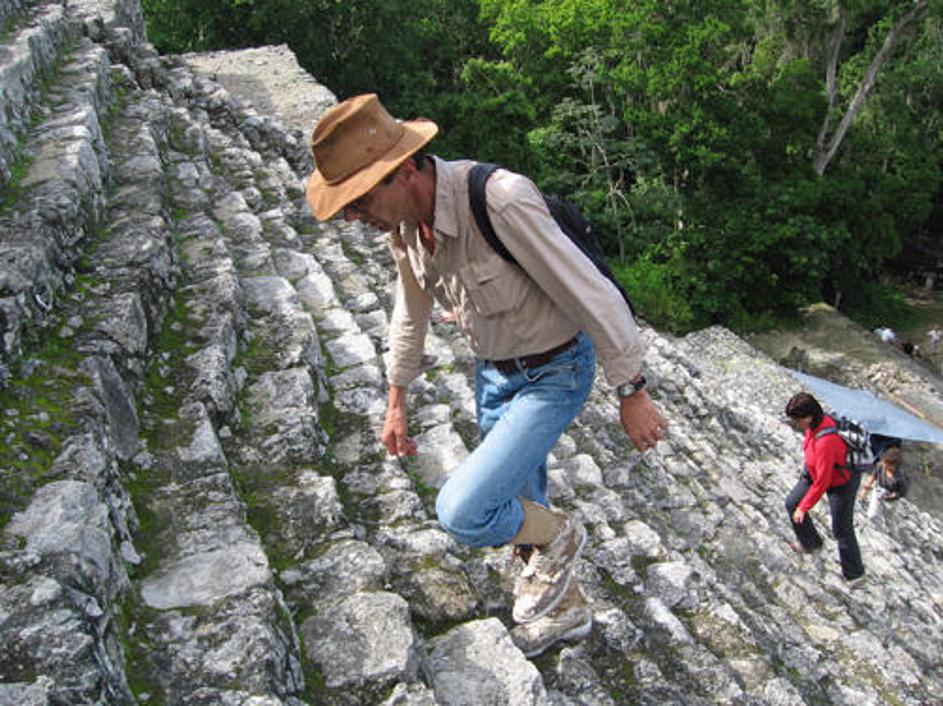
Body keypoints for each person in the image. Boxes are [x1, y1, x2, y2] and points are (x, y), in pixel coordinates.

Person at [305, 94, 668, 656]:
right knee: (520, 512)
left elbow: (590, 292)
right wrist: (396, 397)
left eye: (359, 200)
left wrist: (632, 389)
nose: (355, 218)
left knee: (467, 511)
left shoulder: (499, 200)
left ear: (403, 170)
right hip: (494, 376)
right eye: (347, 208)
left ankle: (563, 535)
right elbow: (410, 310)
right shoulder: (404, 227)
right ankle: (566, 611)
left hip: (555, 373)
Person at [783, 392, 865, 584]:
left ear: (809, 417)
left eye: (796, 419)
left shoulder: (826, 441)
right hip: (814, 472)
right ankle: (810, 543)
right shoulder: (815, 424)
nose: (795, 423)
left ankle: (855, 574)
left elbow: (823, 481)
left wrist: (805, 507)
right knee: (791, 503)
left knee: (841, 528)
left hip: (841, 482)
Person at [859, 446, 908, 538]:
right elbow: (873, 476)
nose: (884, 465)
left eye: (887, 464)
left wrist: (891, 496)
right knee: (872, 515)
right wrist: (865, 490)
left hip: (892, 500)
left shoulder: (900, 477)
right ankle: (878, 533)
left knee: (890, 519)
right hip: (878, 492)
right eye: (884, 462)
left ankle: (893, 535)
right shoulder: (880, 465)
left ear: (894, 465)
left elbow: (901, 492)